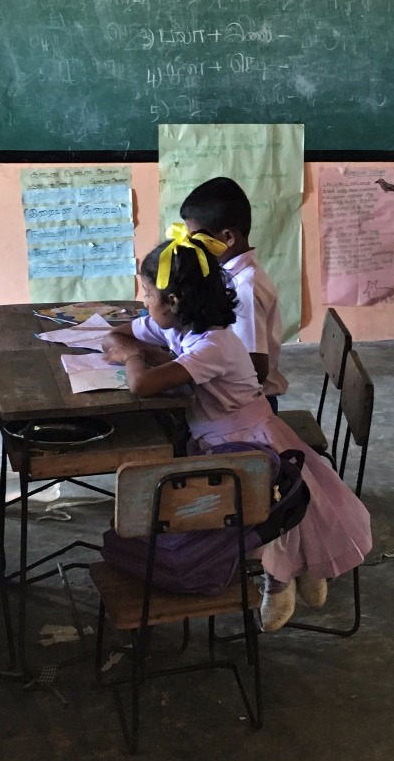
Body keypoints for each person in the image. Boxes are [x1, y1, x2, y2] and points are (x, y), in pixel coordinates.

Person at [101, 228, 371, 631]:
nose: (141, 302)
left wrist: (134, 357)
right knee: (277, 509)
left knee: (268, 512)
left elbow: (140, 382)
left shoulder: (215, 345)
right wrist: (140, 349)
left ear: (172, 301)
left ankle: (280, 581)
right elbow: (123, 333)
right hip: (220, 437)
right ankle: (304, 568)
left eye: (146, 293)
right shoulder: (181, 327)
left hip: (246, 442)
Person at [180, 176, 288, 410]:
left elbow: (255, 368)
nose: (193, 247)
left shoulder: (245, 287)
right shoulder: (228, 275)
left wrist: (195, 369)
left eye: (198, 239)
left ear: (228, 237)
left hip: (249, 406)